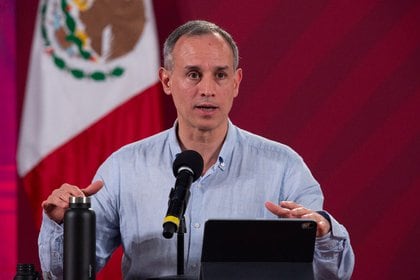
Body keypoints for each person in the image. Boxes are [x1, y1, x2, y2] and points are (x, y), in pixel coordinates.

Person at [39, 20, 355, 279]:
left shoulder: (283, 167)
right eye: (193, 74)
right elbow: (66, 274)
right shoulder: (123, 168)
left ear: (236, 82)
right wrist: (64, 226)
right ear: (166, 80)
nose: (207, 89)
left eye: (220, 75)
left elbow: (331, 276)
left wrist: (322, 235)